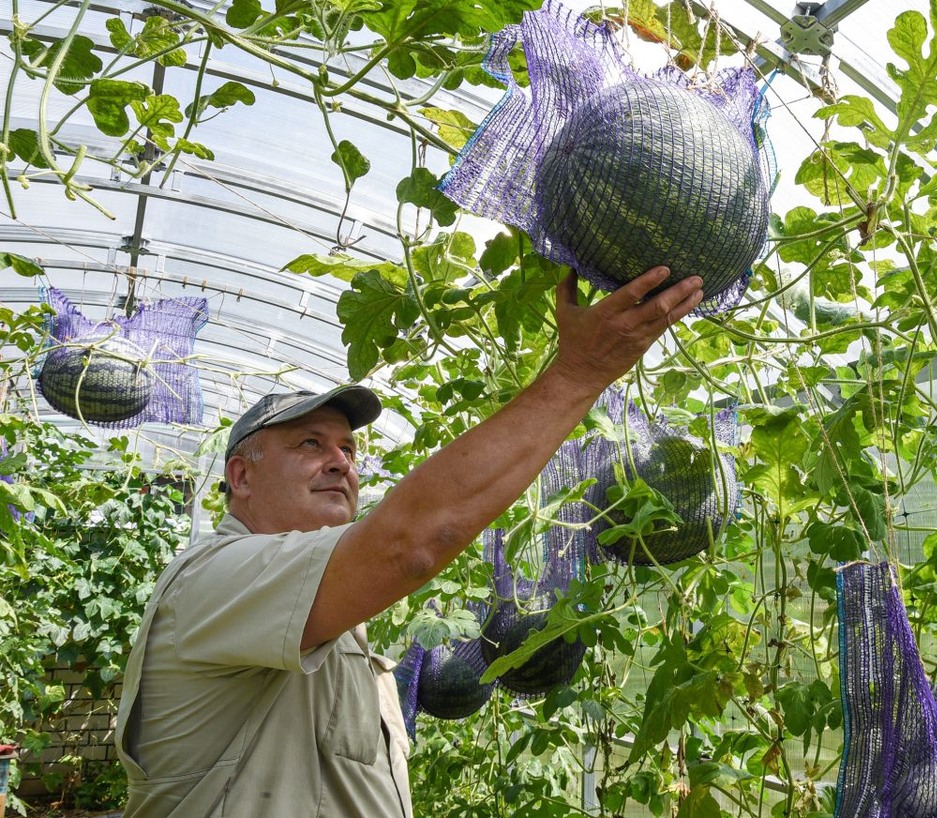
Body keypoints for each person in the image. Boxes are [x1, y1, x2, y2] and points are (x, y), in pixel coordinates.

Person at [114, 266, 705, 817]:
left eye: (348, 449)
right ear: (240, 477)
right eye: (310, 445)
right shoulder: (213, 581)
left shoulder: (321, 604)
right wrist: (580, 372)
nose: (340, 463)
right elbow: (411, 544)